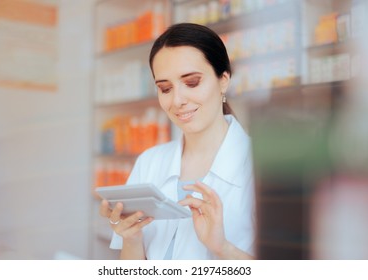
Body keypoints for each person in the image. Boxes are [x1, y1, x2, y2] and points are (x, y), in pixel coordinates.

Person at [100, 23, 255, 260]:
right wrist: (131, 238)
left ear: (223, 80)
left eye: (192, 83)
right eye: (165, 88)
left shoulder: (262, 166)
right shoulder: (150, 161)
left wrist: (221, 247)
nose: (177, 100)